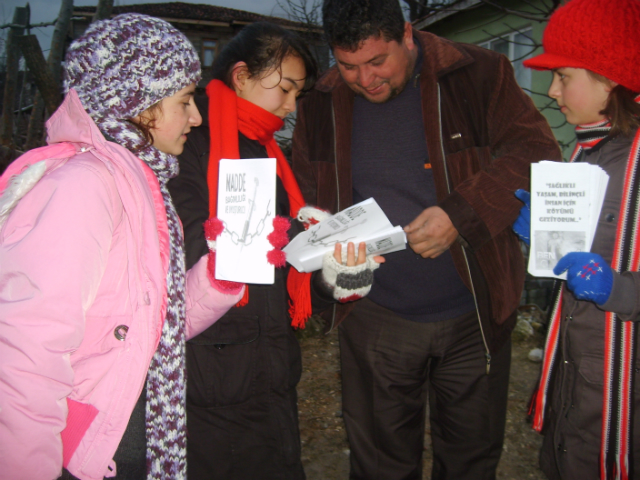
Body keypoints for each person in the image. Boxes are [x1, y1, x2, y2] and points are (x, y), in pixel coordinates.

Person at [291, 0, 562, 479]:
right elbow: (307, 206)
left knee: (469, 460)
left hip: (474, 309)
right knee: (380, 463)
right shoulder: (318, 102)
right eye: (349, 66)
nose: (365, 79)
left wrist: (463, 214)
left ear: (408, 35)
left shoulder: (478, 74)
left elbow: (537, 150)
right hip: (375, 317)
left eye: (378, 61)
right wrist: (332, 264)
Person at [0, 14, 244, 480]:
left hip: (125, 438)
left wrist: (221, 274)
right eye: (185, 100)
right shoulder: (84, 186)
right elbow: (24, 351)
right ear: (137, 103)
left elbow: (144, 331)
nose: (196, 116)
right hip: (73, 454)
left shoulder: (140, 183)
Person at [167, 21, 382, 479]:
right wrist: (239, 245)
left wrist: (334, 273)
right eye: (284, 89)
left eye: (296, 95)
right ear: (242, 75)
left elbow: (284, 269)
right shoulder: (185, 144)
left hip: (271, 373)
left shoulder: (268, 154)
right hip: (207, 380)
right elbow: (175, 254)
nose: (289, 107)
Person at [512, 0, 640, 478]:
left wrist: (618, 289)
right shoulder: (587, 154)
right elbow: (585, 259)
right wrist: (546, 237)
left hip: (625, 400)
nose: (552, 89)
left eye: (564, 75)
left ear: (610, 77)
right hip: (578, 378)